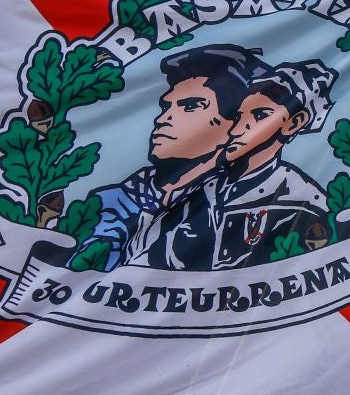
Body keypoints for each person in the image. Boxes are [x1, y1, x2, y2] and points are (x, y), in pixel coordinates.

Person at [80, 43, 267, 270]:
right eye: (166, 107)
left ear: (233, 121)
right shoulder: (108, 203)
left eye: (190, 106)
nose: (163, 118)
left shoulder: (259, 200)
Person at [201, 59, 337, 268]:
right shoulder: (204, 189)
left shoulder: (303, 202)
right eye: (238, 116)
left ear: (294, 122)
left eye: (260, 116)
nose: (237, 129)